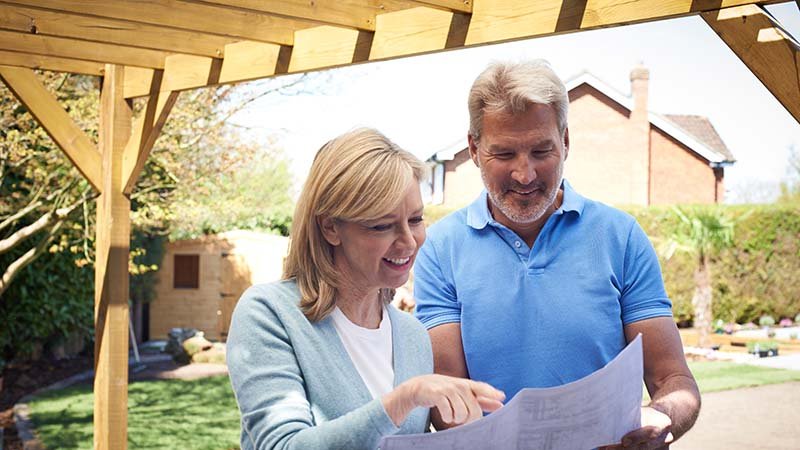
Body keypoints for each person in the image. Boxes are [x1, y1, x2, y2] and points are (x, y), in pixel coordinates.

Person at [414, 61, 701, 449]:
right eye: (504, 153)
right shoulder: (441, 248)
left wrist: (660, 419)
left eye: (540, 150)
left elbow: (673, 380)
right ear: (474, 149)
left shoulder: (621, 237)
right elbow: (448, 398)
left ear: (565, 141)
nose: (525, 174)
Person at [226, 128, 505, 450]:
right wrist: (401, 401)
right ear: (330, 226)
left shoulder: (412, 335)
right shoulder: (269, 314)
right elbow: (280, 445)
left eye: (415, 220)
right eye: (381, 226)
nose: (408, 241)